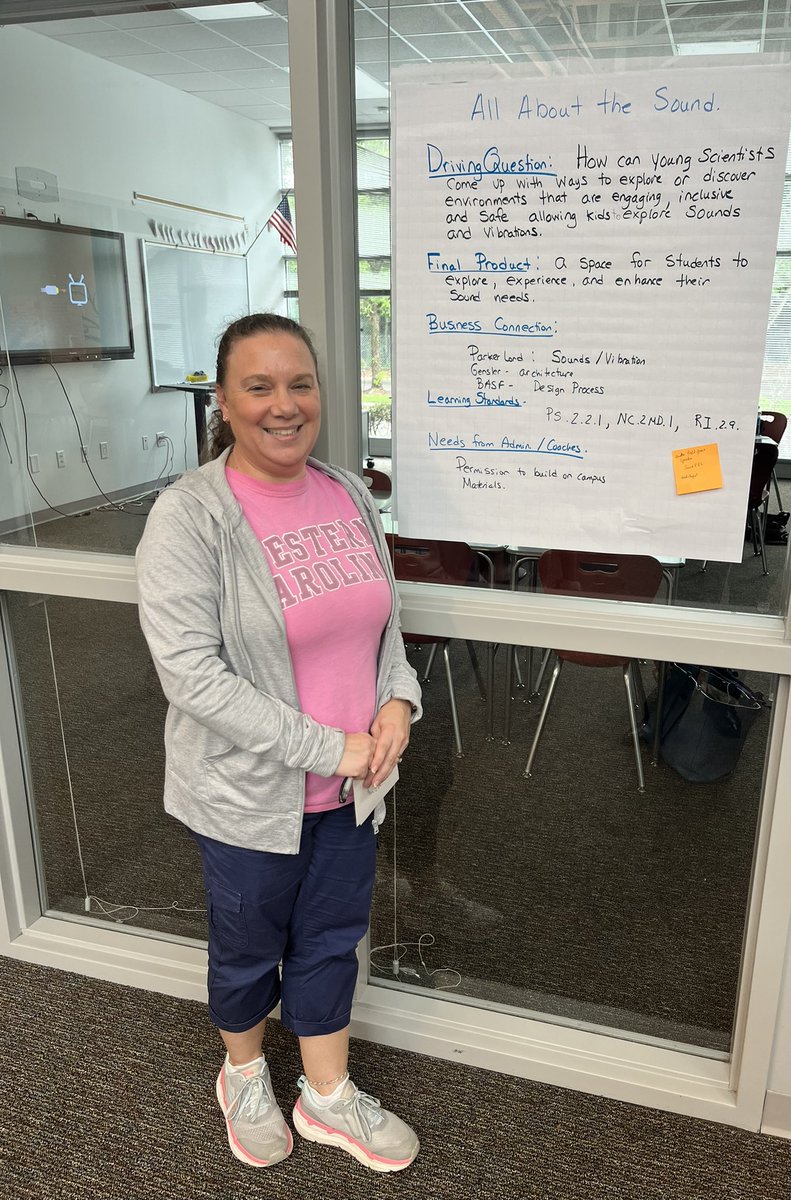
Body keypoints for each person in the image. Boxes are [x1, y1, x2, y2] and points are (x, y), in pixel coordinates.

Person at [136, 313, 422, 1173]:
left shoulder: (346, 492)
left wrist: (398, 701)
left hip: (354, 787)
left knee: (333, 939)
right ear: (224, 403)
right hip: (247, 795)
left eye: (300, 383)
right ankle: (245, 1074)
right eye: (257, 387)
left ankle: (327, 1095)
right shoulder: (190, 516)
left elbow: (383, 624)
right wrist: (330, 747)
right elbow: (192, 675)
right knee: (248, 948)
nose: (283, 404)